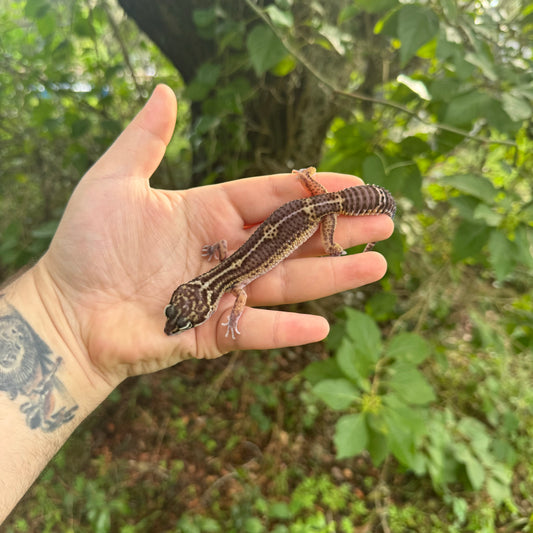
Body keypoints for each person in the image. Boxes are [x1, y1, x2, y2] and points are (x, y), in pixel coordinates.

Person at [0, 84, 394, 523]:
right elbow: (231, 270)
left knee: (332, 226)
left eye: (183, 316)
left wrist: (330, 243)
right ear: (193, 294)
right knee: (325, 209)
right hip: (308, 200)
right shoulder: (229, 272)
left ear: (200, 296)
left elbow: (239, 291)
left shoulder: (235, 282)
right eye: (182, 316)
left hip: (317, 210)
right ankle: (332, 191)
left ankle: (354, 216)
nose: (178, 322)